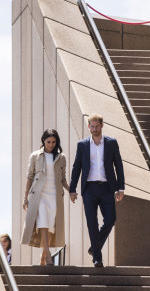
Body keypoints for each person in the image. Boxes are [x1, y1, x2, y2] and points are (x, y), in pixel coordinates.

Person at [69, 114, 125, 267]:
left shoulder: (112, 143)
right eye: (92, 126)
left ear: (102, 126)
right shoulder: (82, 145)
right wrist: (72, 189)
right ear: (89, 127)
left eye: (97, 126)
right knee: (91, 223)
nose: (94, 129)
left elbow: (118, 166)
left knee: (111, 219)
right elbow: (76, 167)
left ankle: (94, 247)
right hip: (89, 189)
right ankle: (97, 258)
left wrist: (121, 187)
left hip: (107, 187)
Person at [21, 129, 70, 265]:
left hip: (54, 194)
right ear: (43, 141)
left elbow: (63, 179)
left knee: (50, 226)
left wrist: (71, 191)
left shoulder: (61, 157)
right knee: (42, 221)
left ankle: (43, 254)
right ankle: (48, 254)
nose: (51, 144)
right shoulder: (35, 156)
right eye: (48, 142)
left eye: (54, 142)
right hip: (39, 194)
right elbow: (29, 177)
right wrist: (25, 198)